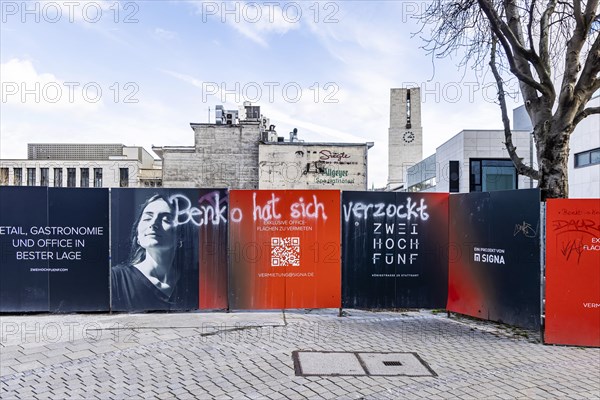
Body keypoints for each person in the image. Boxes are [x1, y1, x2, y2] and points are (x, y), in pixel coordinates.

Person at [111, 193, 197, 311]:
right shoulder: (115, 279)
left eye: (166, 219)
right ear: (137, 233)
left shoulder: (194, 283)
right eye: (147, 218)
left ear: (180, 235)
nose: (153, 224)